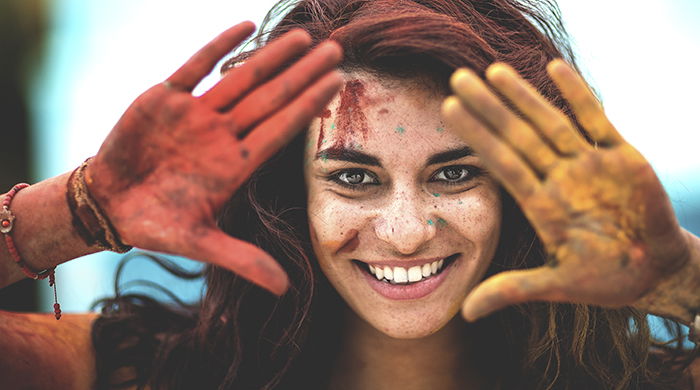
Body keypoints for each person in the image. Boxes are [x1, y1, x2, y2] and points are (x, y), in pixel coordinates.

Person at [1, 0, 699, 389]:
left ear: (519, 189)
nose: (404, 232)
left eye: (454, 173)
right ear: (289, 193)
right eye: (354, 177)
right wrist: (71, 213)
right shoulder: (136, 375)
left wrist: (682, 279)